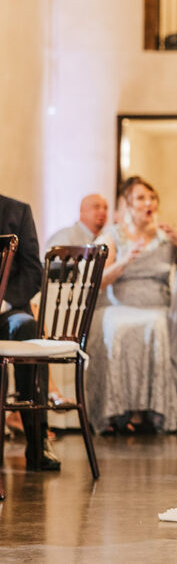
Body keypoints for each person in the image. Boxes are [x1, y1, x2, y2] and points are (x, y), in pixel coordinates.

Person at [88, 177, 177, 433]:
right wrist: (123, 262)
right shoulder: (113, 236)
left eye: (152, 198)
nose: (148, 203)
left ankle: (148, 410)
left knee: (155, 325)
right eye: (141, 198)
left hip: (157, 307)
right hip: (119, 305)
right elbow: (97, 281)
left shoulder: (166, 236)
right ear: (127, 203)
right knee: (116, 327)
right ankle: (117, 411)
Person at [0, 194, 58, 470]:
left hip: (9, 308)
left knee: (27, 327)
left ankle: (37, 441)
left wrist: (5, 301)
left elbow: (34, 271)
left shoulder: (17, 211)